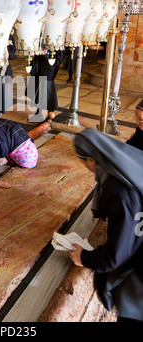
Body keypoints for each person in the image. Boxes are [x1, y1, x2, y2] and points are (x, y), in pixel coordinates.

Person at [69, 128, 143, 323]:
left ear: (91, 160)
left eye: (83, 161)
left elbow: (118, 254)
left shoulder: (120, 192)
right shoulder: (129, 167)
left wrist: (84, 257)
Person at [26, 49, 64, 122]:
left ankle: (50, 115)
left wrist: (46, 55)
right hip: (38, 66)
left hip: (49, 68)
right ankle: (38, 113)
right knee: (37, 88)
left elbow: (58, 60)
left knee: (48, 90)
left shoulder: (58, 41)